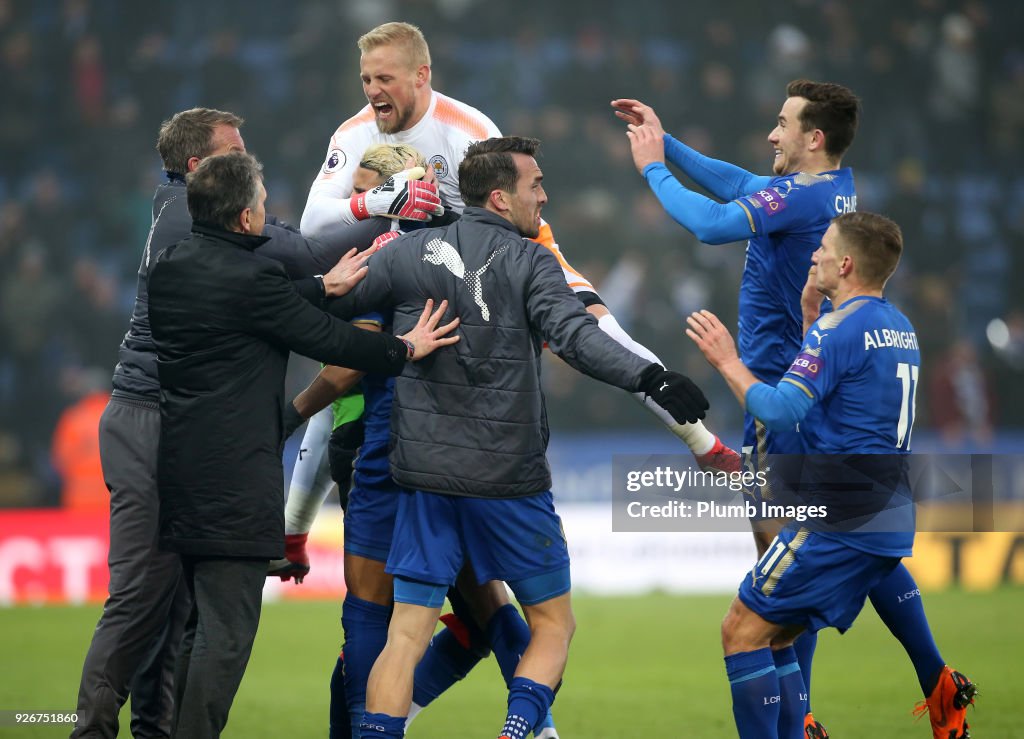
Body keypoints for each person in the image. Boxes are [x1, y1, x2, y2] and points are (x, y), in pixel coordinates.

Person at [613, 83, 973, 737]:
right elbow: (738, 181)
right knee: (834, 547)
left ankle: (799, 714)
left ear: (814, 138)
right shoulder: (831, 189)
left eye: (783, 124)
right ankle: (931, 677)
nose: (772, 135)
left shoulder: (804, 195)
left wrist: (652, 166)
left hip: (781, 388)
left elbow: (709, 222)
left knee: (776, 575)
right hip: (806, 385)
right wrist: (665, 139)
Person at [332, 135, 708, 739]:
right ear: (501, 198)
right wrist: (650, 376)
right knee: (553, 625)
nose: (545, 195)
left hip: (424, 477)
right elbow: (577, 339)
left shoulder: (404, 255)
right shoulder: (531, 260)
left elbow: (334, 307)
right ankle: (519, 733)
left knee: (405, 635)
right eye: (536, 185)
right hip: (508, 480)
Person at [70, 107, 398, 739]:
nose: (249, 164)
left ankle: (154, 731)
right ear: (201, 171)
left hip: (172, 418)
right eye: (236, 154)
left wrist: (318, 288)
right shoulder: (202, 218)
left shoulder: (180, 217)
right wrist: (380, 206)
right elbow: (306, 253)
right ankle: (89, 729)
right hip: (151, 419)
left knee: (175, 601)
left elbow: (257, 296)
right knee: (143, 595)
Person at [147, 151, 459, 738]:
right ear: (244, 219)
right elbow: (333, 342)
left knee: (190, 626)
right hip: (236, 478)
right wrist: (406, 349)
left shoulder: (170, 267)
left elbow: (247, 304)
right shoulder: (254, 280)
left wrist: (319, 283)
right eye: (262, 205)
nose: (268, 214)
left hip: (179, 467)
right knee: (228, 634)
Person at [687, 211, 974, 739]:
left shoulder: (838, 328)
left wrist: (727, 360)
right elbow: (831, 405)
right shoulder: (898, 326)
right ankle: (920, 687)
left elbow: (778, 411)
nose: (814, 255)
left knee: (740, 631)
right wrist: (806, 323)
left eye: (822, 247)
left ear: (845, 263)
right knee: (776, 635)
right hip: (888, 513)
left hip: (839, 517)